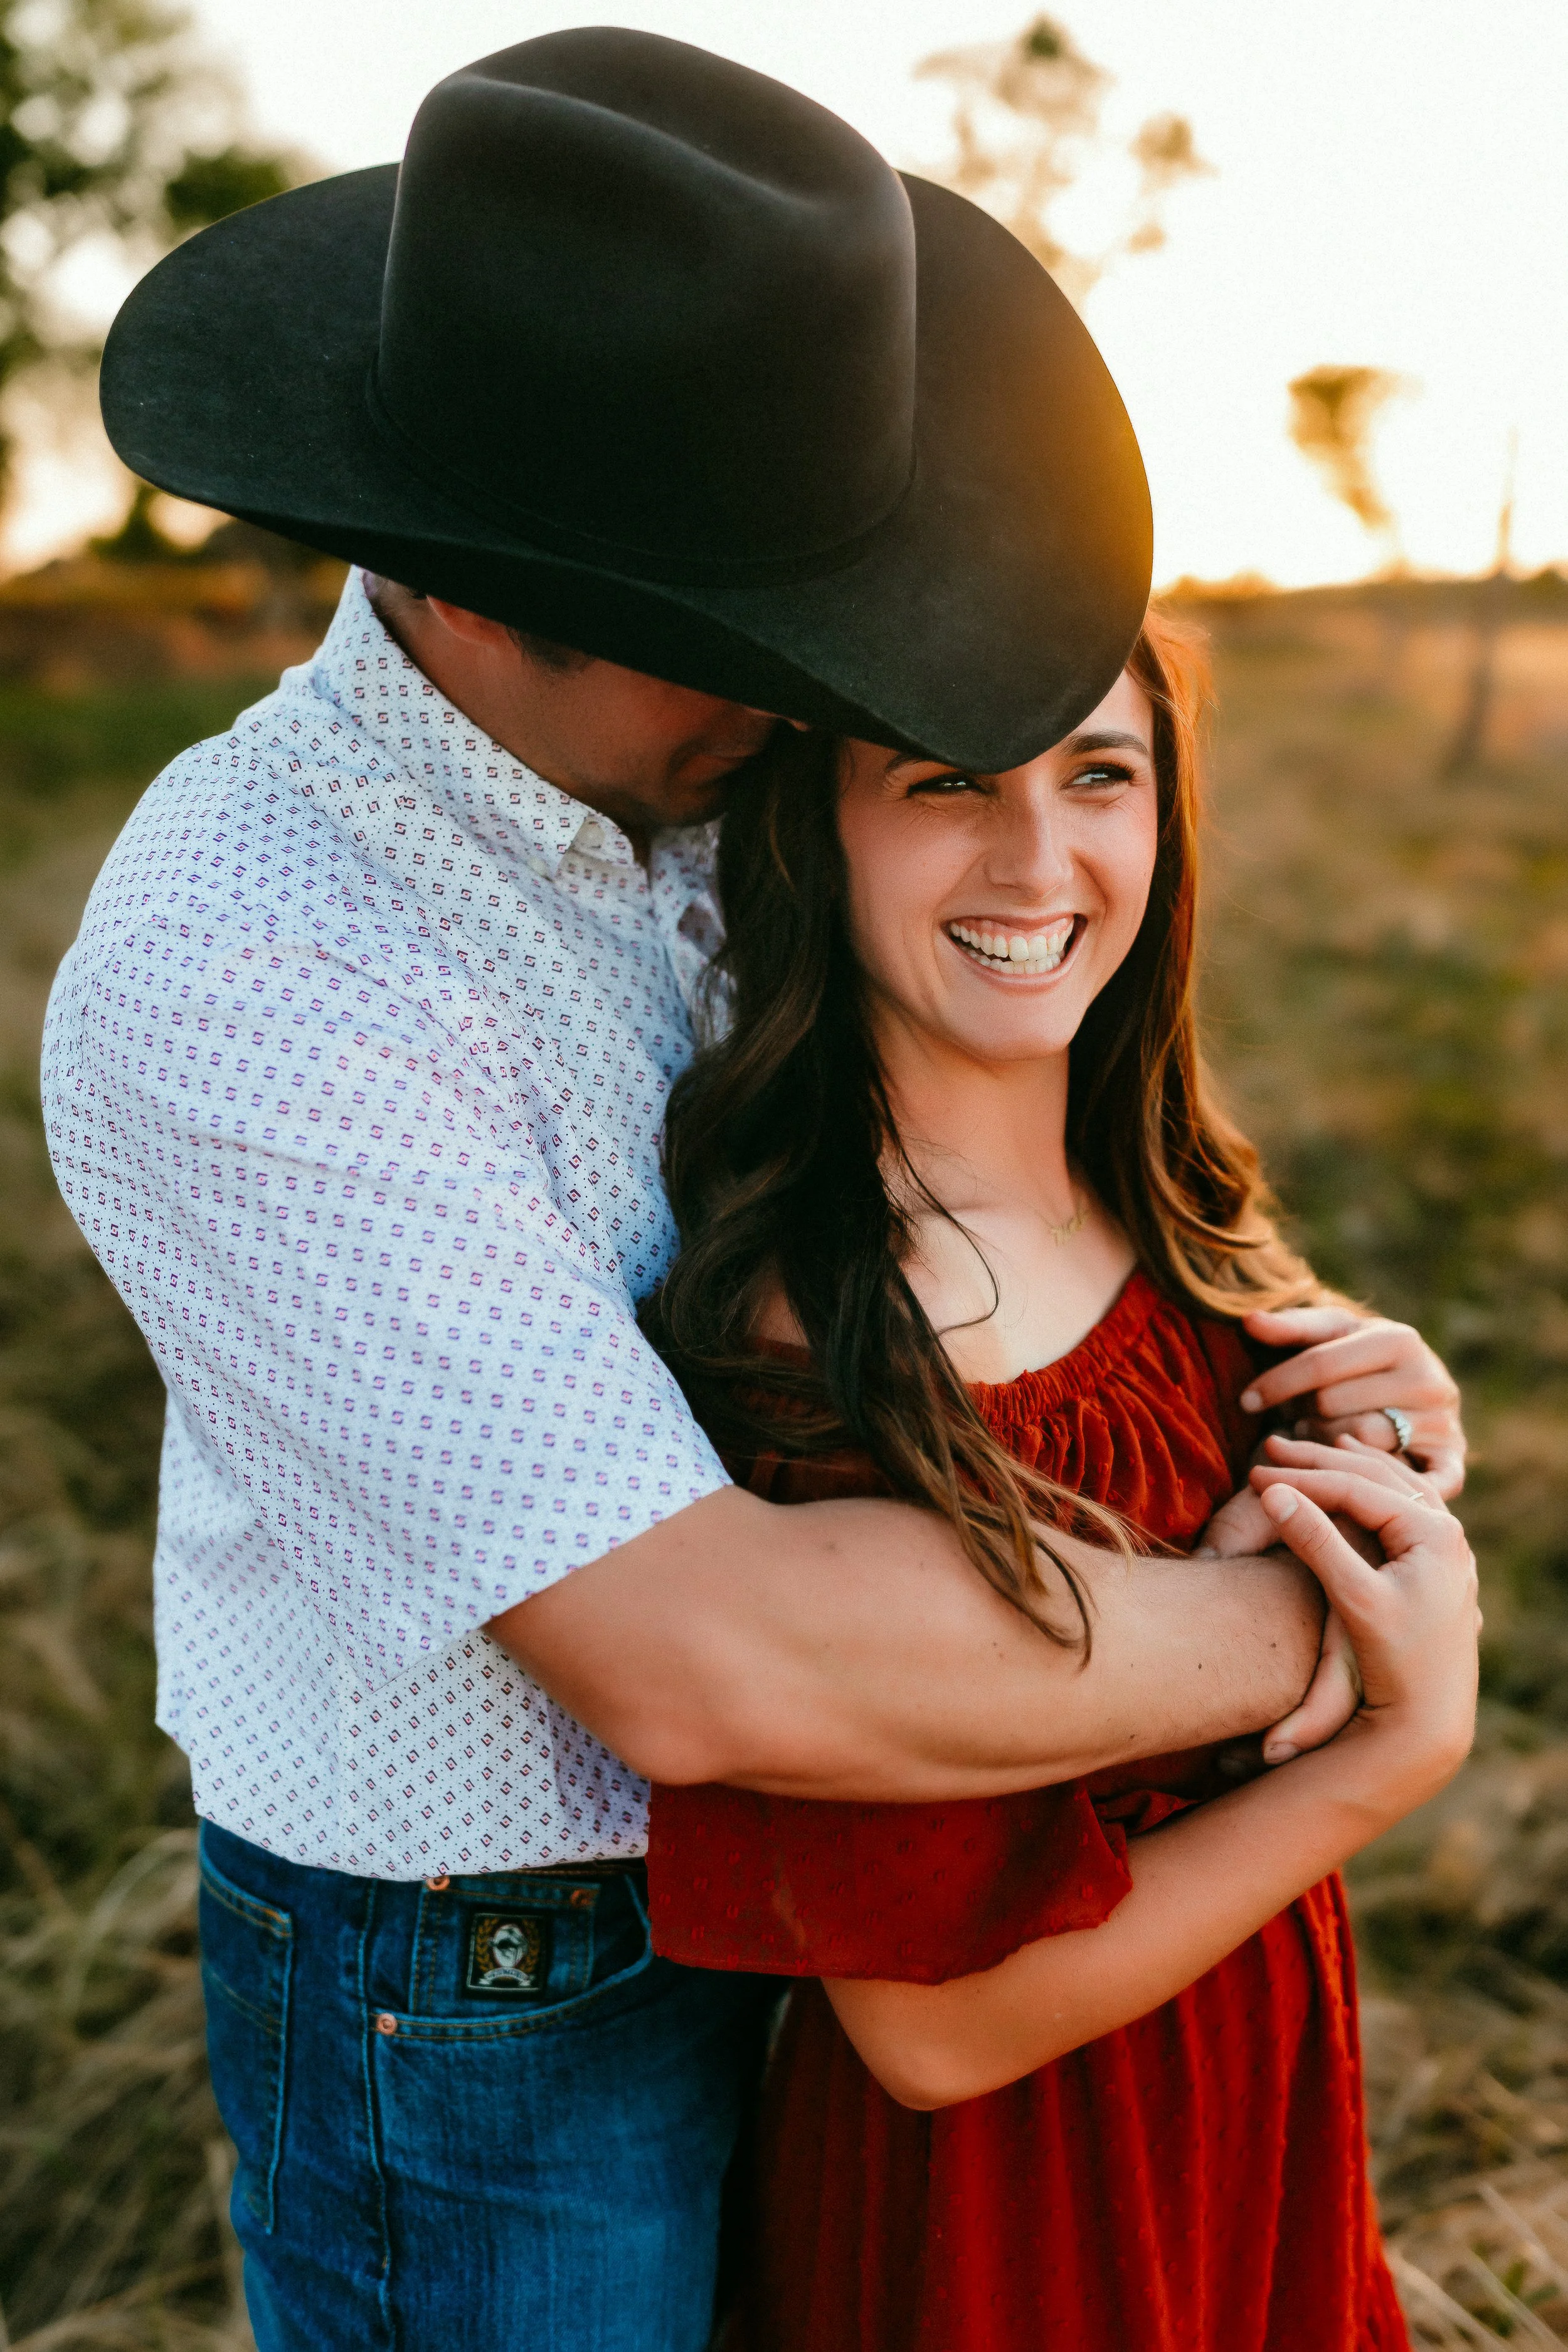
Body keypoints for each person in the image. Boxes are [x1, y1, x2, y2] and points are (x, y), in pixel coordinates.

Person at [40, 28, 1466, 2352]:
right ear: (493, 592)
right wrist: (1333, 1634)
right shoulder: (249, 965)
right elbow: (704, 1658)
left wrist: (1288, 1415)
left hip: (866, 1901)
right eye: (749, 634)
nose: (818, 692)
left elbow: (994, 1167)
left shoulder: (728, 789)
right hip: (492, 2004)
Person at [644, 610, 1478, 2351]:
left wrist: (1369, 1428)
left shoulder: (1161, 1201)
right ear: (819, 825)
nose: (1037, 855)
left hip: (1244, 2121)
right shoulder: (832, 1334)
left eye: (1096, 773)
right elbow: (928, 2032)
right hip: (1010, 2228)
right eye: (946, 781)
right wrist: (1390, 1753)